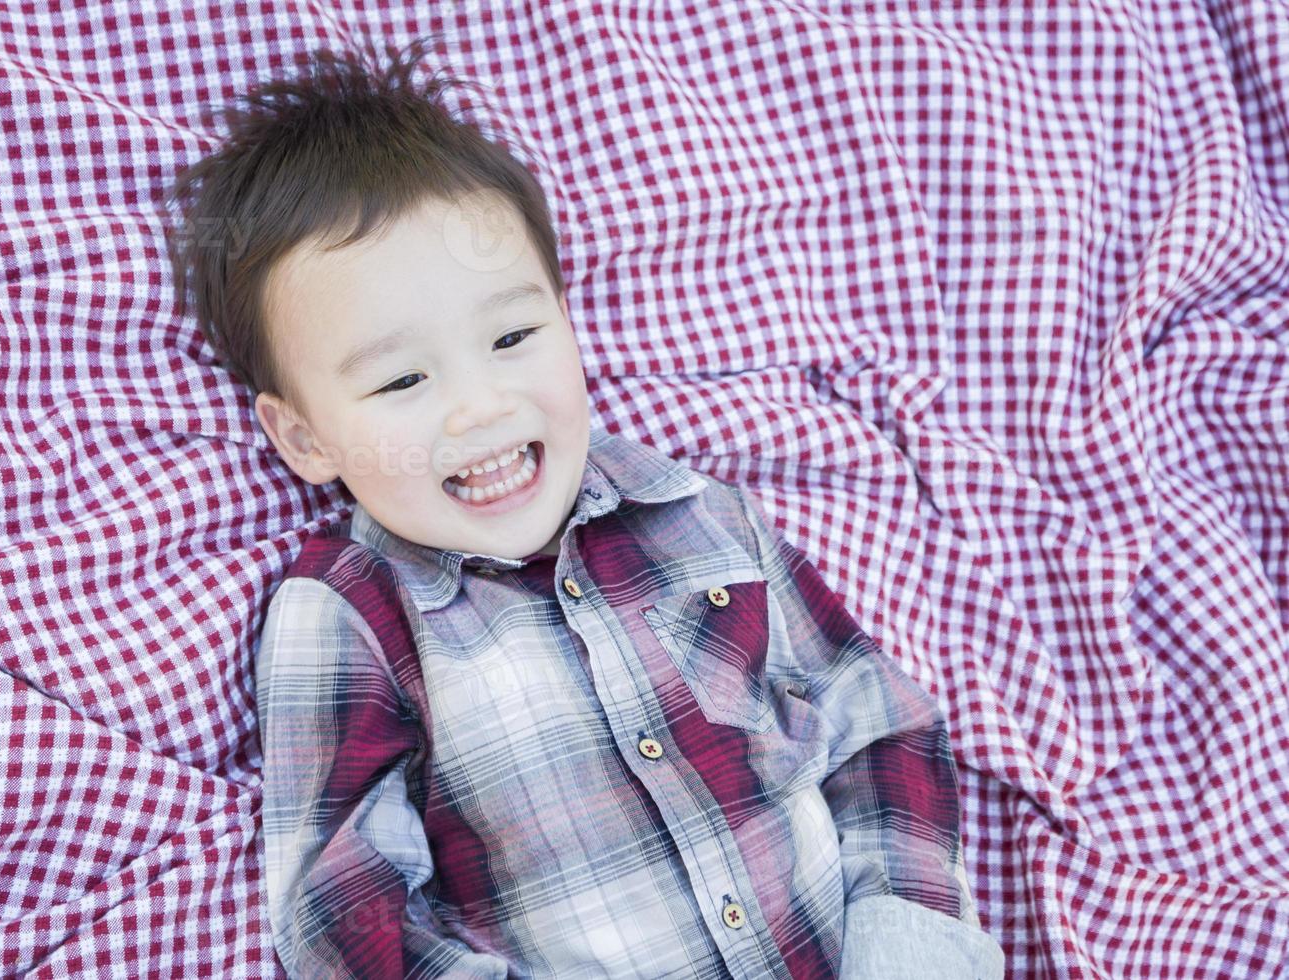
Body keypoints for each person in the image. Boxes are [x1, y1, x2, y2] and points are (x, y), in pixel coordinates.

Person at [166, 36, 1005, 980]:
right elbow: (343, 912)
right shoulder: (352, 615)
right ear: (305, 439)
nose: (479, 407)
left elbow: (875, 724)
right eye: (402, 378)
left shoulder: (698, 515)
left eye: (515, 334)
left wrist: (908, 948)